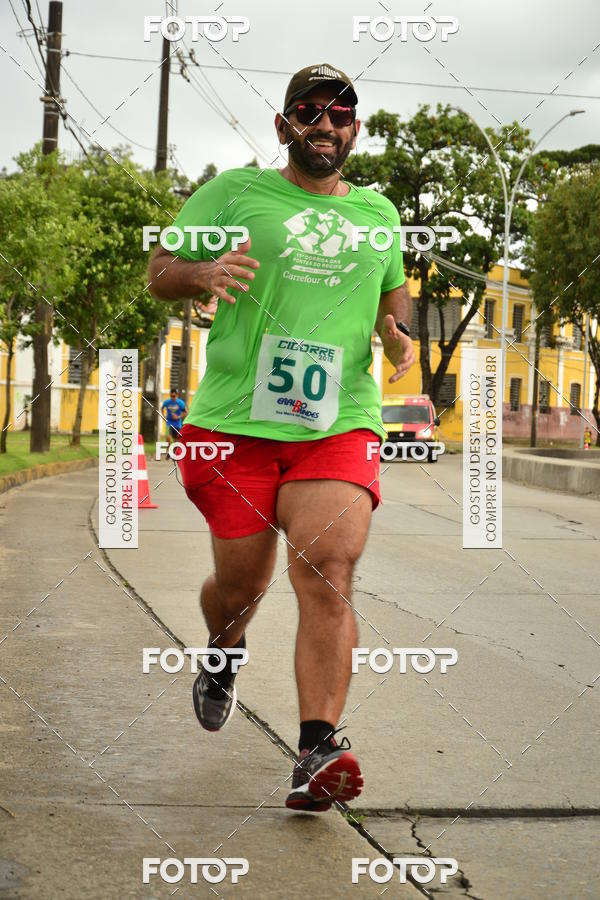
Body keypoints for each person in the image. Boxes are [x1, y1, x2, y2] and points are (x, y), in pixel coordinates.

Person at [148, 62, 415, 812]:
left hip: (339, 420)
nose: (324, 125)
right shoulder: (234, 193)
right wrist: (200, 275)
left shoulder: (379, 215)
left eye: (340, 115)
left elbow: (394, 294)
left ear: (354, 130)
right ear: (284, 125)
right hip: (232, 426)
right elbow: (158, 270)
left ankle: (317, 748)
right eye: (309, 112)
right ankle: (224, 650)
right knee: (239, 590)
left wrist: (398, 335)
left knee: (328, 567)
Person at [161, 388, 187, 454]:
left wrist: (178, 417)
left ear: (177, 395)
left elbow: (185, 412)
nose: (172, 398)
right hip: (169, 422)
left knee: (176, 440)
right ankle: (169, 451)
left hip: (177, 423)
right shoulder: (167, 402)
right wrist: (163, 416)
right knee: (168, 438)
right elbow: (162, 408)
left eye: (174, 396)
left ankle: (175, 452)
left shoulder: (180, 403)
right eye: (171, 396)